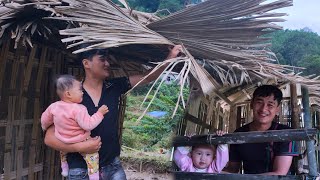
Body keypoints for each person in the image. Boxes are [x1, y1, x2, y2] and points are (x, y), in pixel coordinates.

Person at [44, 45, 182, 180]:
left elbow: (147, 77)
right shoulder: (73, 97)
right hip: (82, 170)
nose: (107, 63)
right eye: (102, 59)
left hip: (113, 167)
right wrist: (80, 146)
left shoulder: (114, 86)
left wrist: (170, 57)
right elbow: (49, 138)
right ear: (87, 63)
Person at [41, 75, 109, 179]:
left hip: (62, 140)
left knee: (63, 152)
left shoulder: (54, 106)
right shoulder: (79, 109)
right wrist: (99, 113)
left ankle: (64, 168)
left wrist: (44, 127)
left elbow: (45, 120)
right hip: (80, 140)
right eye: (80, 90)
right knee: (93, 155)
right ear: (68, 94)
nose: (82, 92)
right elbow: (88, 125)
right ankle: (94, 176)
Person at [226, 85, 298, 175]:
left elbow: (279, 173)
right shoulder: (239, 133)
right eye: (259, 102)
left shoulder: (285, 134)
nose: (264, 109)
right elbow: (232, 169)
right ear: (252, 104)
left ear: (277, 109)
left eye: (270, 105)